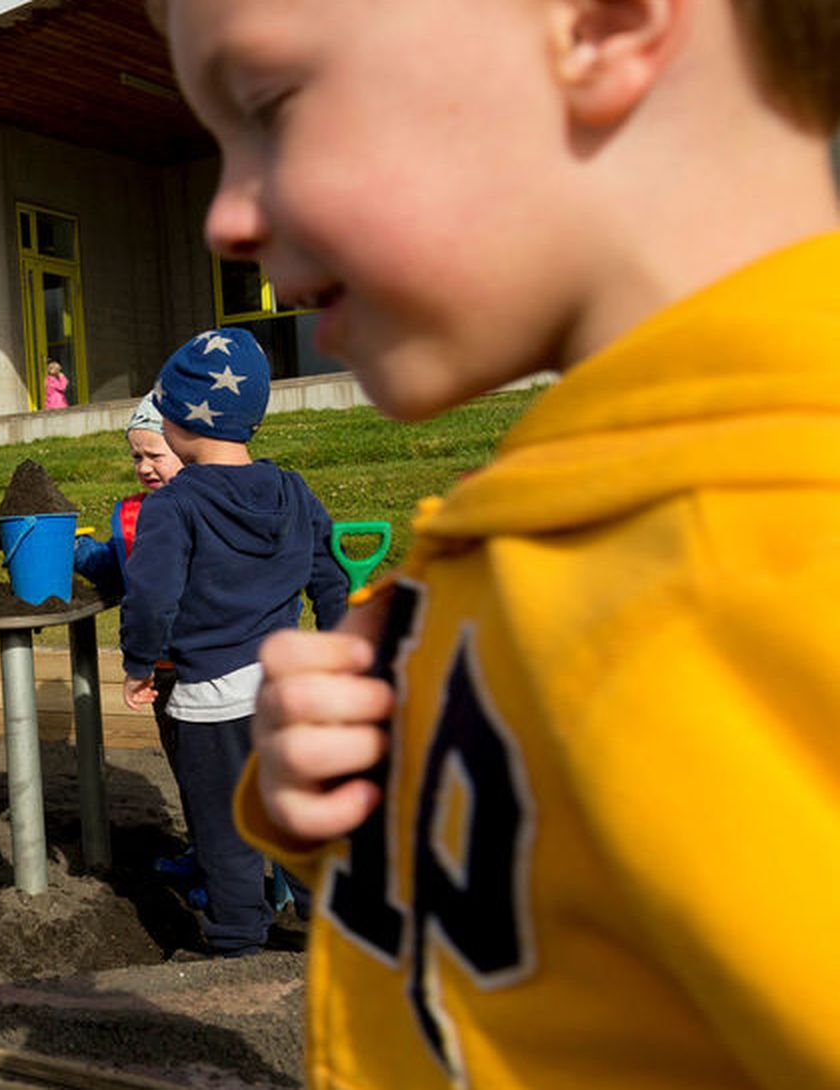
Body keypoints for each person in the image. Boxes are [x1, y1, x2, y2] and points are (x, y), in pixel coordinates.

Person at [153, 0, 840, 1084]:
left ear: (604, 27)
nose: (225, 220)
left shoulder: (766, 548)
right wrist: (336, 807)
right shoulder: (568, 511)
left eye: (272, 106)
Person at [120, 328, 348, 959]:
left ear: (181, 421)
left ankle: (237, 946)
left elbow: (151, 597)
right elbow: (331, 580)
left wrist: (139, 664)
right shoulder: (294, 492)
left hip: (213, 700)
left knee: (225, 832)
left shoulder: (175, 505)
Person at [75, 392, 206, 894]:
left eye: (157, 455)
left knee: (212, 774)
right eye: (137, 456)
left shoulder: (200, 508)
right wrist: (80, 553)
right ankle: (201, 852)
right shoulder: (131, 512)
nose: (146, 467)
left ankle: (226, 871)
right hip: (162, 670)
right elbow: (118, 560)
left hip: (203, 663)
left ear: (187, 453)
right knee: (185, 769)